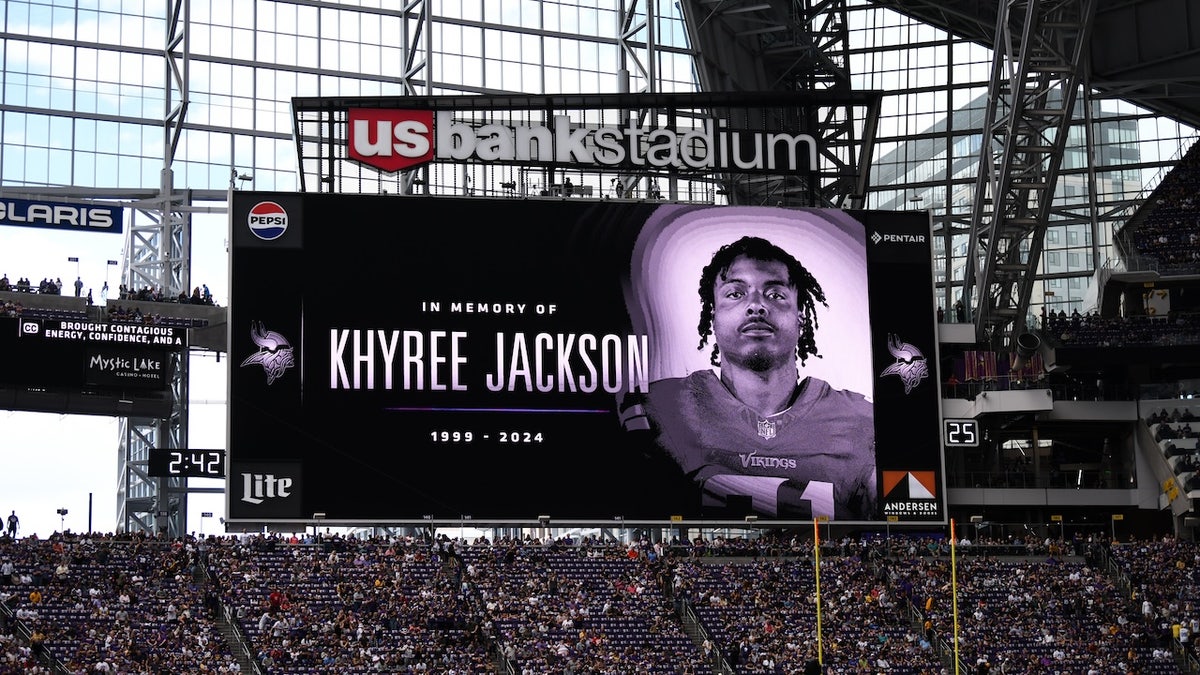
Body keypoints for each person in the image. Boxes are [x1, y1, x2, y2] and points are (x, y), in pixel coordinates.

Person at [635, 235, 876, 520]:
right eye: (736, 293)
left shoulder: (860, 422)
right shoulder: (661, 409)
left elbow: (891, 526)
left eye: (775, 294)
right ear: (713, 317)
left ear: (800, 317)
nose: (757, 306)